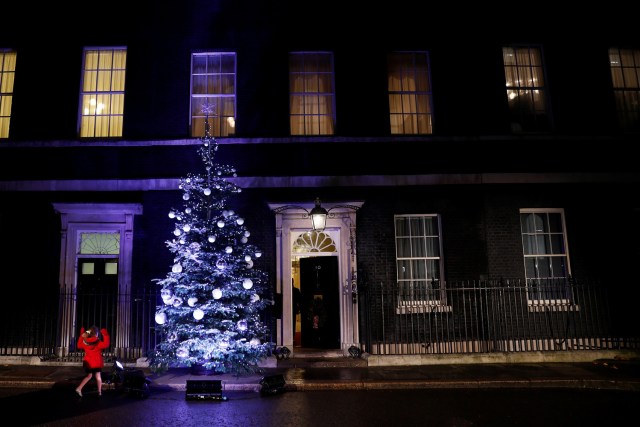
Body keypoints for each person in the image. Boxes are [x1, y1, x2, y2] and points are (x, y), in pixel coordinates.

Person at [75, 325, 110, 397]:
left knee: (89, 376)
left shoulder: (85, 342)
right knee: (98, 376)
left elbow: (78, 345)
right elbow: (106, 344)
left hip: (88, 362)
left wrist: (82, 335)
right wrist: (105, 334)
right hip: (96, 362)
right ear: (96, 334)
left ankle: (79, 388)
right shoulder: (98, 342)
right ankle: (99, 392)